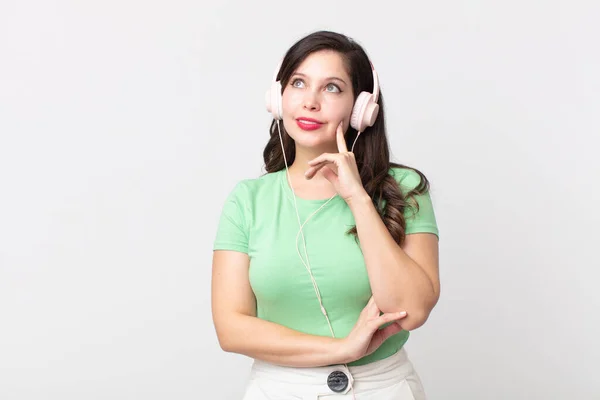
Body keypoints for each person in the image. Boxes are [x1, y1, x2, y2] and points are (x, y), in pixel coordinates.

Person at [211, 30, 440, 399]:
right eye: (298, 83)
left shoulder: (404, 187)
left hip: (383, 389)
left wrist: (358, 199)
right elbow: (231, 328)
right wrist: (343, 350)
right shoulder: (248, 201)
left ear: (362, 108)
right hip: (279, 389)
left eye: (332, 88)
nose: (310, 102)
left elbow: (411, 310)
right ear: (278, 97)